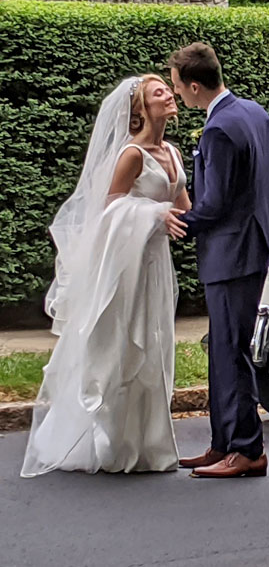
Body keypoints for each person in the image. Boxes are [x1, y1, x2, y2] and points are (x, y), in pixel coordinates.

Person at [21, 75, 190, 477]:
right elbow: (110, 206)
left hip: (155, 265)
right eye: (157, 93)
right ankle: (110, 443)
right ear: (140, 110)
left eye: (167, 89)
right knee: (123, 344)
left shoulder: (173, 152)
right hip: (125, 266)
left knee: (156, 342)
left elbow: (185, 205)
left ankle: (149, 445)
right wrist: (152, 213)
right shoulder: (132, 155)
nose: (168, 94)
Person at [168, 42, 269, 479]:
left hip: (232, 252)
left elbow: (215, 203)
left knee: (230, 349)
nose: (178, 97)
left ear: (192, 85)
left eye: (178, 88)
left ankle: (247, 449)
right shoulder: (253, 112)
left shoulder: (218, 129)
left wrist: (177, 225)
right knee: (224, 347)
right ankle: (222, 442)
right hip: (252, 246)